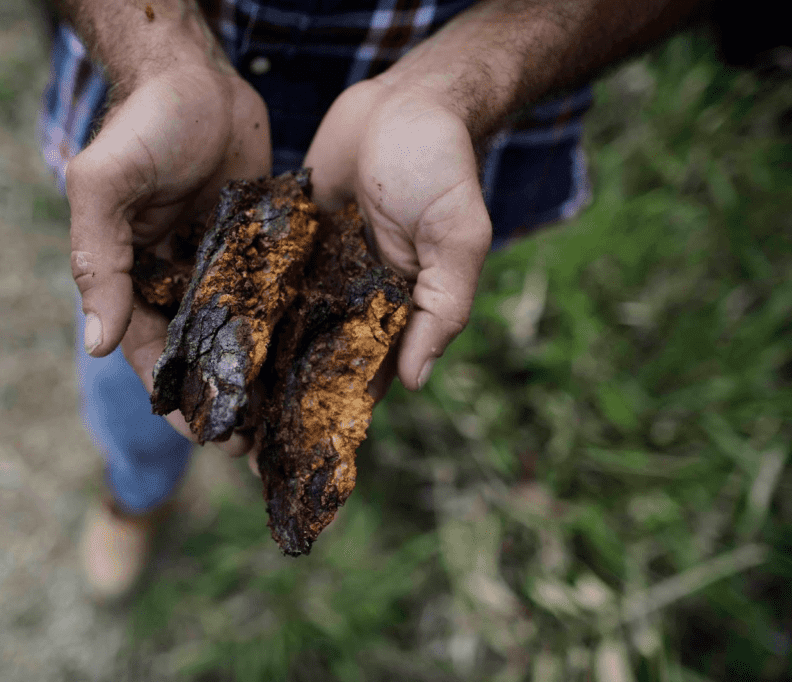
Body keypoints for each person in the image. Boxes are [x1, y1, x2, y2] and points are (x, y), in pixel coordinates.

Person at [38, 0, 705, 598]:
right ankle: (135, 496)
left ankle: (153, 485)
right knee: (132, 369)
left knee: (381, 334)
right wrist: (157, 52)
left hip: (431, 150)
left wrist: (461, 83)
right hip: (168, 131)